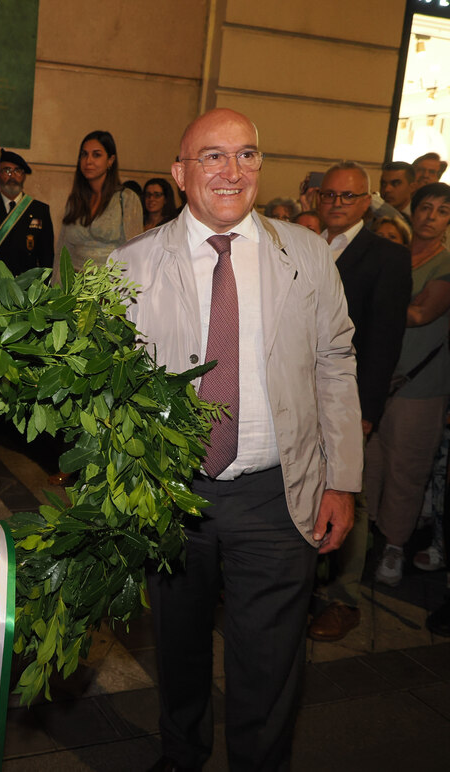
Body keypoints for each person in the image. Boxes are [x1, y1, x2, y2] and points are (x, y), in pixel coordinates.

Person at [111, 108, 361, 772]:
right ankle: (181, 755)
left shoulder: (304, 253)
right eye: (214, 156)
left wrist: (342, 479)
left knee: (271, 664)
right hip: (171, 496)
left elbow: (336, 361)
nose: (233, 171)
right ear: (180, 172)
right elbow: (103, 387)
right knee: (179, 647)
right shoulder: (128, 265)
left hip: (278, 496)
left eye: (247, 155)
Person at [306, 162, 411, 642]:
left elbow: (385, 341)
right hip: (299, 394)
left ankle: (343, 599)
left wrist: (367, 412)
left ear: (366, 203)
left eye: (348, 197)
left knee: (351, 493)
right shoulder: (302, 246)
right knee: (305, 487)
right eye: (329, 195)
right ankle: (303, 587)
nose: (337, 204)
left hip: (350, 398)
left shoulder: (386, 257)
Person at [368, 183, 450, 587]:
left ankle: (395, 547)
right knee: (369, 464)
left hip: (418, 386)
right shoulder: (393, 255)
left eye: (442, 211)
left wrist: (370, 303)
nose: (431, 217)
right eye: (426, 208)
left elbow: (421, 314)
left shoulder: (444, 265)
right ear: (413, 212)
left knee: (406, 470)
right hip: (374, 379)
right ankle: (365, 542)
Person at [55, 130, 142, 273]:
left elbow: (135, 253)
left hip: (111, 288)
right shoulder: (75, 201)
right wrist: (57, 290)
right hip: (74, 288)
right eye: (84, 154)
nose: (88, 161)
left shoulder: (126, 199)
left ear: (110, 160)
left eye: (96, 155)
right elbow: (62, 252)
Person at [0, 149, 54, 276]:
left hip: (27, 287)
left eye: (18, 171)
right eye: (7, 170)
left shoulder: (40, 210)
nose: (13, 175)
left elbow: (47, 257)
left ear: (24, 176)